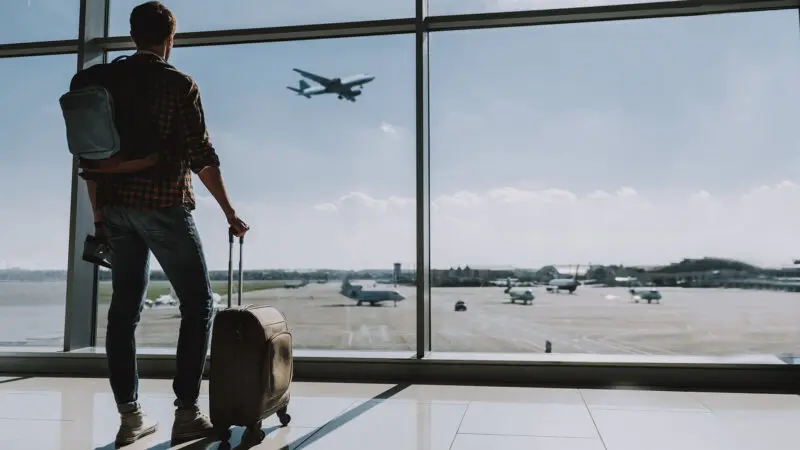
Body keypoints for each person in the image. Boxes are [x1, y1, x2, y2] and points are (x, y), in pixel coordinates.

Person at [79, 2, 249, 446]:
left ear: (133, 35)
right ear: (170, 38)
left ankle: (130, 416)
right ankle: (187, 413)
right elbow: (201, 155)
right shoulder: (178, 84)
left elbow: (88, 158)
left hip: (114, 209)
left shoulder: (99, 81)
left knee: (124, 310)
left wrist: (99, 216)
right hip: (162, 204)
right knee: (198, 304)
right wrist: (229, 211)